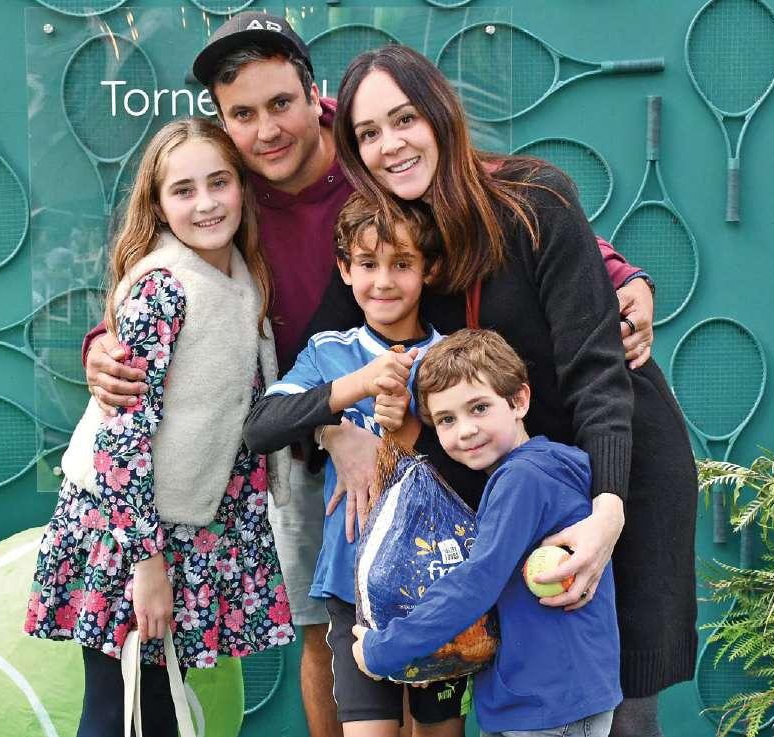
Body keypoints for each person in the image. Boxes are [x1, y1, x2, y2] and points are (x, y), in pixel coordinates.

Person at [82, 14, 658, 737]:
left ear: (313, 96)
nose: (267, 129)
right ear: (224, 123)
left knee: (466, 642)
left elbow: (496, 196)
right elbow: (162, 271)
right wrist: (105, 341)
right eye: (243, 115)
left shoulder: (371, 155)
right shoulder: (225, 183)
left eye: (281, 103)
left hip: (450, 450)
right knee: (331, 637)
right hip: (312, 434)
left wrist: (620, 274)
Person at [321, 45, 698, 737]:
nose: (390, 144)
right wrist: (330, 425)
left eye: (404, 119)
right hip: (519, 489)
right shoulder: (395, 246)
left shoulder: (534, 201)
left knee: (622, 702)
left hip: (620, 460)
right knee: (545, 694)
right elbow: (314, 353)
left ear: (439, 114)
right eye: (368, 133)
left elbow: (597, 371)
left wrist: (607, 513)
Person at [24, 118, 293, 737]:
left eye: (219, 182)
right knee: (115, 706)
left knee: (158, 705)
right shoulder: (163, 291)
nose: (206, 204)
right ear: (159, 204)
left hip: (191, 526)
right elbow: (122, 439)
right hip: (130, 530)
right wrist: (145, 565)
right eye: (183, 190)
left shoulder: (242, 277)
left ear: (242, 188)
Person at [243, 195, 470, 736]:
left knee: (441, 728)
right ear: (345, 270)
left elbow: (482, 458)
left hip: (441, 584)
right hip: (353, 585)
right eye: (368, 264)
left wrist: (412, 425)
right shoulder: (329, 353)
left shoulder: (455, 356)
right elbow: (261, 428)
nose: (383, 282)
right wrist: (355, 389)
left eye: (402, 264)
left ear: (429, 270)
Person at [354, 328, 622, 737]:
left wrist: (384, 649)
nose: (465, 430)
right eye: (446, 419)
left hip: (551, 706)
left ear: (519, 401)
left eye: (478, 408)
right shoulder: (531, 471)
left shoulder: (524, 478)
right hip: (535, 700)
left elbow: (475, 583)